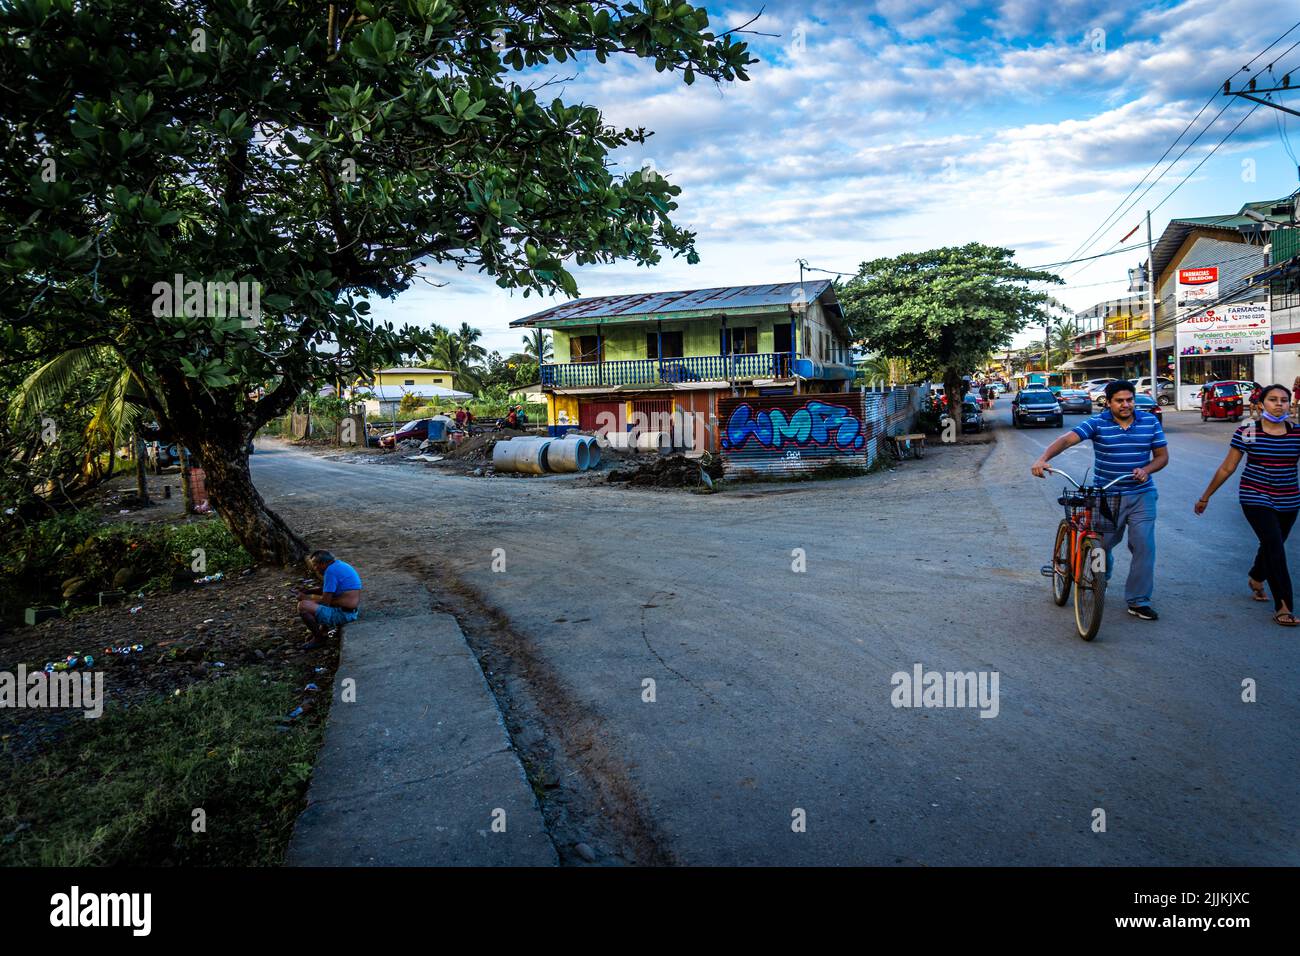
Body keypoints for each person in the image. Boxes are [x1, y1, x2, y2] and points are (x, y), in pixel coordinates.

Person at [1030, 380, 1169, 620]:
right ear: (1108, 402)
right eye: (1120, 401)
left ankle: (1138, 600)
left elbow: (1162, 457)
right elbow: (1066, 440)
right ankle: (1099, 580)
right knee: (1100, 548)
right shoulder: (1097, 423)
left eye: (1129, 399)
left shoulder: (1150, 422)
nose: (1126, 405)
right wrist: (1043, 458)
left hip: (1141, 495)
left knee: (1144, 546)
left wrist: (1147, 469)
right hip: (1106, 495)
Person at [1195, 384, 1300, 626]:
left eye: (1284, 400)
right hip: (1255, 496)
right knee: (1275, 545)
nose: (1279, 404)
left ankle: (1256, 576)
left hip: (1289, 498)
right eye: (1273, 399)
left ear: (1290, 404)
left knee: (1273, 543)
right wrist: (1206, 496)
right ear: (1261, 404)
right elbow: (1228, 467)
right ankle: (1283, 605)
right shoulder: (1249, 431)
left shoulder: (1296, 432)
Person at [295, 550, 363, 649]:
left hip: (345, 614)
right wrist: (308, 591)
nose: (315, 568)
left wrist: (306, 598)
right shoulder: (337, 566)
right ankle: (322, 630)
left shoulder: (330, 572)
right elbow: (328, 590)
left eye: (315, 565)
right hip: (350, 611)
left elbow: (325, 602)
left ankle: (319, 639)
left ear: (323, 563)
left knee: (303, 606)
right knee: (313, 603)